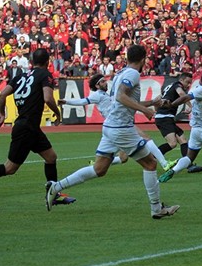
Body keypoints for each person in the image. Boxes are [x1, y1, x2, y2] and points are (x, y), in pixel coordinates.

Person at [46, 45, 179, 219]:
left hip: (111, 126)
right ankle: (156, 208)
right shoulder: (133, 74)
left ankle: (56, 187)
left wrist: (151, 103)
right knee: (150, 164)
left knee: (99, 169)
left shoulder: (121, 74)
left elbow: (123, 101)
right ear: (143, 59)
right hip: (121, 128)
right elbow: (120, 97)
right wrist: (144, 110)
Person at [0, 48, 76, 207]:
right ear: (47, 62)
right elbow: (48, 98)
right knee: (9, 168)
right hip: (26, 128)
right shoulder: (45, 75)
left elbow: (2, 95)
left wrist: (2, 114)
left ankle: (53, 194)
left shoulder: (20, 76)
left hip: (29, 127)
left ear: (31, 62)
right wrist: (57, 113)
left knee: (51, 157)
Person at [58, 73, 176, 171]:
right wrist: (66, 101)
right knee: (146, 138)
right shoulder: (97, 95)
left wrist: (151, 102)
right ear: (97, 85)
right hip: (118, 124)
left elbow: (133, 104)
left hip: (113, 127)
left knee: (123, 159)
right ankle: (165, 164)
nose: (106, 83)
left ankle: (95, 165)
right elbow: (83, 101)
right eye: (103, 81)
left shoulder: (107, 95)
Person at [155, 72, 202, 174]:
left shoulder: (168, 86)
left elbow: (157, 99)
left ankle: (189, 165)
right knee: (172, 143)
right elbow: (182, 94)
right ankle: (151, 157)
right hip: (164, 118)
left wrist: (156, 111)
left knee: (183, 140)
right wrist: (190, 106)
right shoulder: (178, 85)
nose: (188, 85)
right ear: (181, 80)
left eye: (190, 83)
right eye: (187, 82)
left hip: (166, 117)